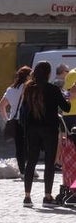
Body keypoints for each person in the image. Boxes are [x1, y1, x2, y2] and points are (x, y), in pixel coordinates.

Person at [20, 61, 70, 207]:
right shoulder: (53, 89)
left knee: (31, 162)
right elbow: (66, 108)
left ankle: (27, 196)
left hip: (32, 129)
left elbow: (24, 109)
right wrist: (68, 97)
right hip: (49, 129)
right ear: (48, 73)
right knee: (49, 162)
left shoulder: (28, 89)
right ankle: (47, 196)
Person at [0, 66, 32, 177]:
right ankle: (29, 169)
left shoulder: (11, 89)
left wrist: (7, 120)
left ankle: (22, 171)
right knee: (29, 145)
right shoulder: (29, 88)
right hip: (27, 121)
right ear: (27, 77)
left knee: (19, 147)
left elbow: (2, 105)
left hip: (15, 121)